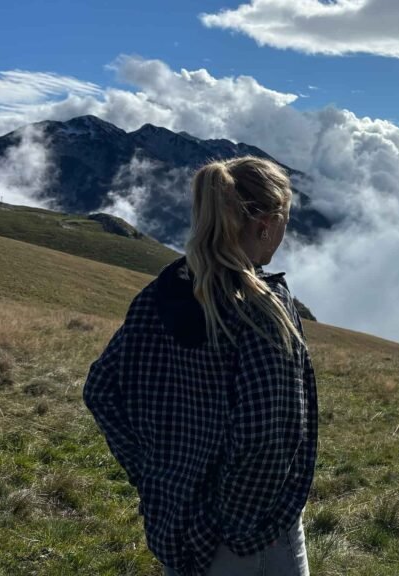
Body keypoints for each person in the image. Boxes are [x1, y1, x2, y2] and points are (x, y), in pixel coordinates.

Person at [83, 157, 318, 576]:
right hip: (250, 541)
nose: (283, 233)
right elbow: (265, 437)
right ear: (264, 223)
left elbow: (101, 388)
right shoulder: (262, 309)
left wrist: (151, 476)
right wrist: (229, 523)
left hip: (173, 522)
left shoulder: (160, 294)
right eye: (284, 220)